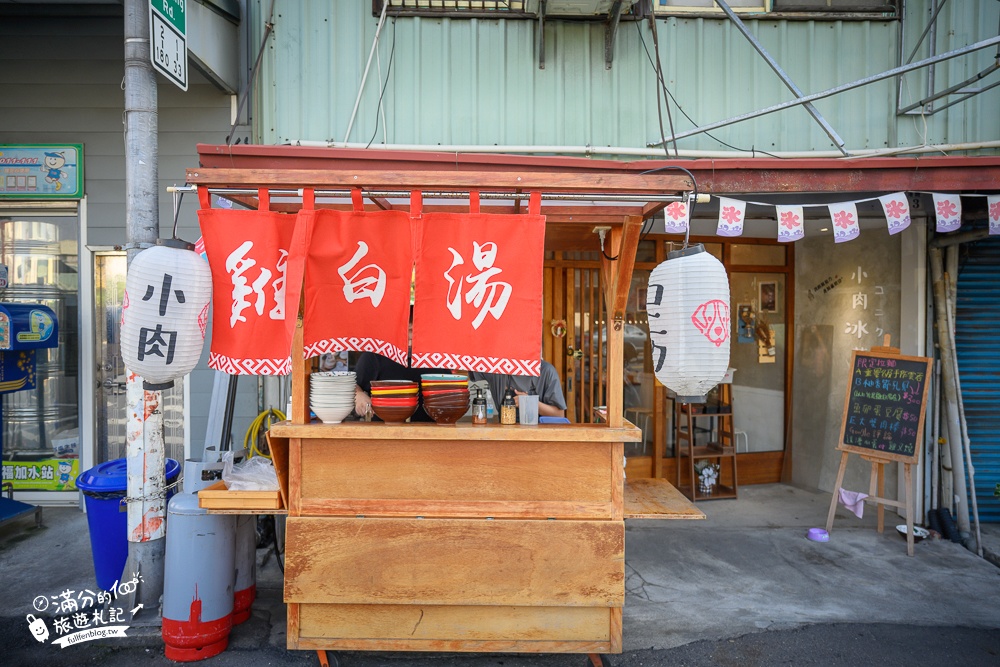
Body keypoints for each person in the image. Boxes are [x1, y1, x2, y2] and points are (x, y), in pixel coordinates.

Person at [353, 351, 450, 422]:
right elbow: (352, 384)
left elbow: (450, 393)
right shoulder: (375, 355)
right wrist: (359, 395)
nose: (411, 328)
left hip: (431, 432)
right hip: (383, 432)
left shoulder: (438, 357)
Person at [470, 360, 567, 420]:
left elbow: (559, 414)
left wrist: (529, 402)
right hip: (504, 434)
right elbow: (462, 368)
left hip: (539, 436)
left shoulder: (546, 371)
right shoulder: (496, 368)